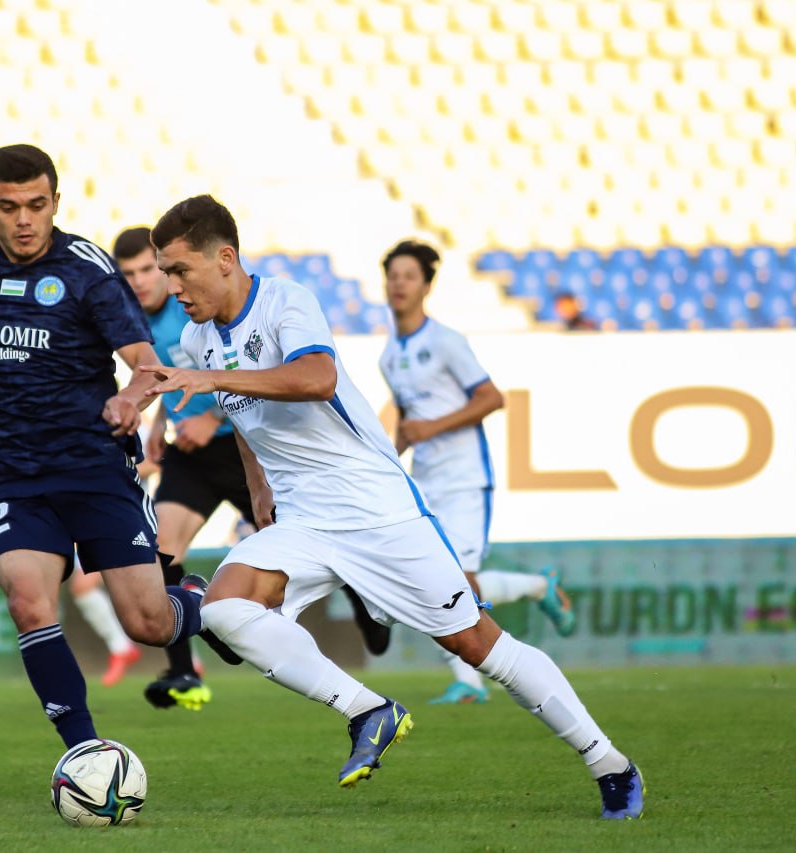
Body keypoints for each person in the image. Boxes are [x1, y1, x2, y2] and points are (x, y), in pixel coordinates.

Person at [140, 195, 644, 820]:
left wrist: (213, 381)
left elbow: (316, 378)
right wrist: (258, 482)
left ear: (224, 258)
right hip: (304, 519)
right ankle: (368, 711)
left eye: (180, 270)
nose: (173, 286)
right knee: (226, 607)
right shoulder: (197, 338)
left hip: (375, 510)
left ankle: (609, 763)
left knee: (477, 644)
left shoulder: (285, 301)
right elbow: (244, 417)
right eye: (165, 272)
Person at [0, 144, 213, 750]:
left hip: (96, 468)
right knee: (28, 602)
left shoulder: (88, 270)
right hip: (17, 476)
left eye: (36, 205)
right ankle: (85, 751)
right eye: (9, 207)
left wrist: (130, 399)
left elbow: (147, 363)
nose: (24, 220)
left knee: (148, 622)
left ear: (56, 202)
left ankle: (205, 602)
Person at [70, 227, 393, 710]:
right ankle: (184, 672)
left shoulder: (193, 308)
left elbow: (242, 368)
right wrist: (161, 422)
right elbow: (173, 379)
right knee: (160, 550)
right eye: (129, 273)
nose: (140, 281)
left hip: (245, 448)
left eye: (148, 270)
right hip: (192, 457)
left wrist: (212, 417)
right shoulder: (134, 320)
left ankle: (361, 602)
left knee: (306, 540)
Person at [379, 240, 576, 705]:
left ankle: (529, 599)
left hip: (466, 477)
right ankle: (478, 667)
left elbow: (491, 398)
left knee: (456, 581)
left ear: (426, 287)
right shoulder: (389, 356)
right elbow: (410, 423)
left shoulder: (446, 341)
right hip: (426, 480)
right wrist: (388, 461)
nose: (399, 284)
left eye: (409, 276)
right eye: (393, 276)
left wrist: (432, 428)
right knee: (432, 580)